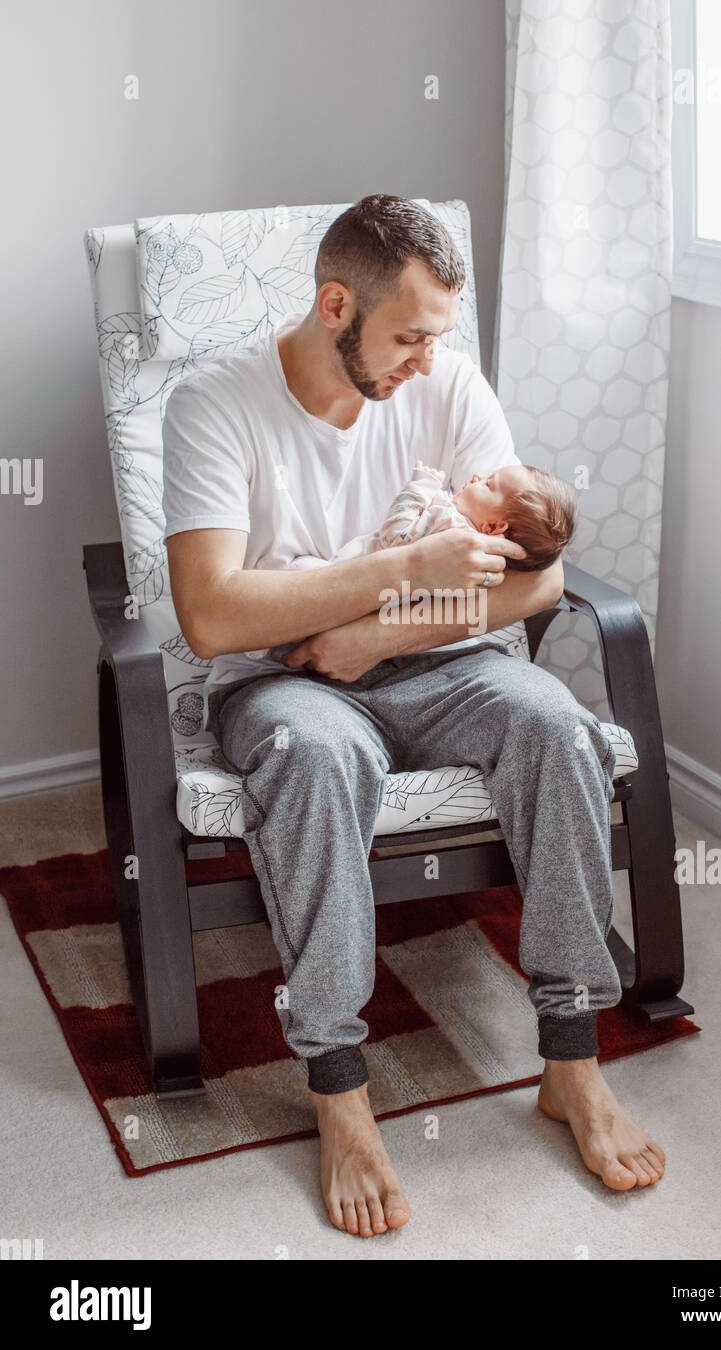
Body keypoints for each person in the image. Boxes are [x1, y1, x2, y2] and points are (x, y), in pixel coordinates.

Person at [163, 193, 666, 1239]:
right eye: (407, 337)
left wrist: (376, 635)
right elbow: (214, 614)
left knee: (558, 729)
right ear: (334, 305)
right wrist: (401, 572)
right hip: (284, 681)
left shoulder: (444, 379)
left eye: (438, 335)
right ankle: (340, 1092)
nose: (426, 363)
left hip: (433, 660)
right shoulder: (214, 405)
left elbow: (535, 580)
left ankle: (570, 1063)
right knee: (311, 755)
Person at [243, 458, 576, 663]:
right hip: (374, 608)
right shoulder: (487, 565)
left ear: (494, 526)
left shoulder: (451, 527)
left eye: (489, 483)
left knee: (297, 576)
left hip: (348, 586)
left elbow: (395, 537)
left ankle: (258, 641)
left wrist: (419, 487)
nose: (476, 476)